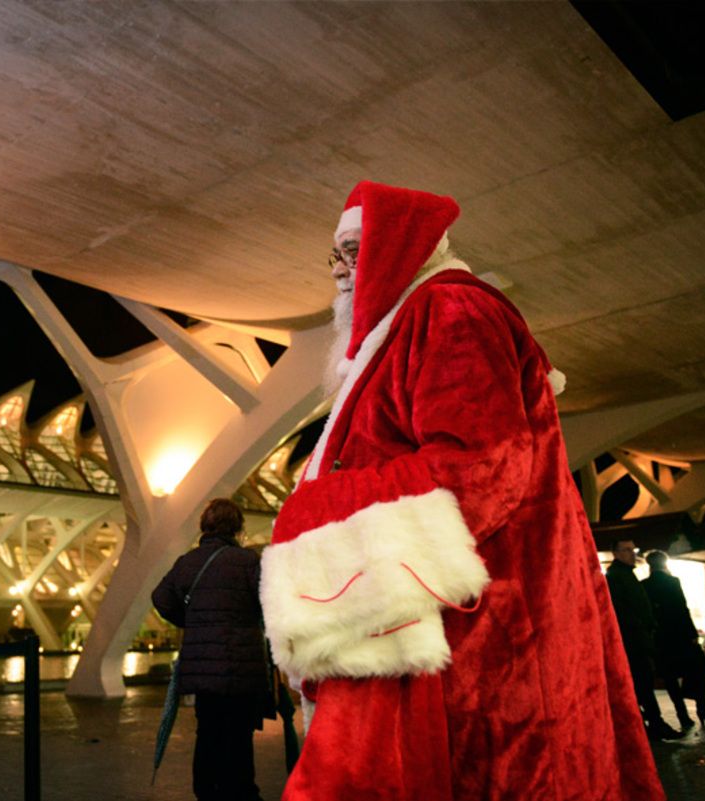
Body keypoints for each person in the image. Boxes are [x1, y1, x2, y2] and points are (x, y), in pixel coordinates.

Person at [261, 181, 664, 800]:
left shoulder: (451, 310)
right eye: (335, 256)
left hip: (478, 638)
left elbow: (483, 466)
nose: (342, 270)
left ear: (399, 246)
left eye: (354, 250)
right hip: (444, 624)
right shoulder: (408, 325)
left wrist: (313, 512)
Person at [152, 498, 268, 801]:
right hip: (241, 666)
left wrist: (192, 623)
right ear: (238, 528)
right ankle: (240, 792)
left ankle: (206, 792)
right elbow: (268, 602)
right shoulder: (248, 562)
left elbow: (160, 598)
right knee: (239, 736)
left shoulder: (187, 562)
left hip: (203, 671)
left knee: (208, 733)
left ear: (204, 526)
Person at [605, 540, 683, 739]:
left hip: (638, 638)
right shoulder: (616, 577)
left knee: (644, 683)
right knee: (642, 683)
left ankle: (651, 723)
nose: (632, 553)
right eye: (627, 550)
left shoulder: (625, 575)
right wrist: (640, 627)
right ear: (616, 553)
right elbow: (623, 611)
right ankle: (653, 723)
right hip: (633, 641)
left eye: (633, 550)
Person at [642, 549, 705, 728]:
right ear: (664, 563)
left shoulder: (644, 585)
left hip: (662, 638)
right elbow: (682, 609)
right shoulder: (672, 582)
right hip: (681, 634)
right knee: (697, 672)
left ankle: (682, 715)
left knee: (670, 678)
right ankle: (702, 709)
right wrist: (692, 634)